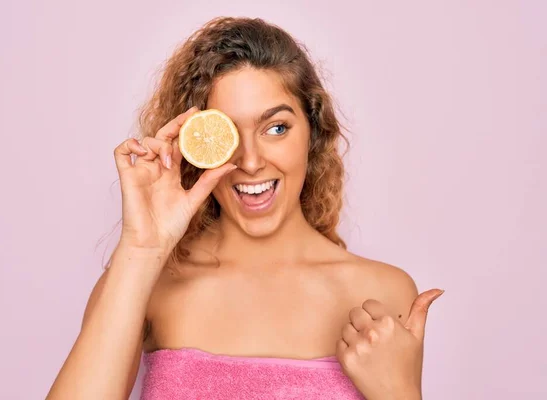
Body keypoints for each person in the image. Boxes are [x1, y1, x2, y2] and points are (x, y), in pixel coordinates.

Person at [47, 16, 443, 400]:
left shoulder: (383, 294)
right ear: (194, 146)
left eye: (276, 128)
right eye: (228, 133)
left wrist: (399, 394)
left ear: (314, 133)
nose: (250, 161)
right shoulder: (146, 283)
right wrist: (141, 249)